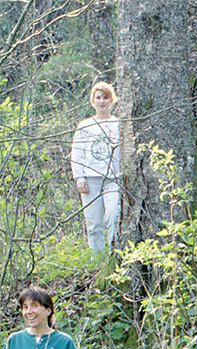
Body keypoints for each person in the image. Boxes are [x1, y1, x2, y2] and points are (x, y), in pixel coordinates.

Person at [70, 81, 122, 253]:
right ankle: (97, 260)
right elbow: (77, 153)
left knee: (113, 216)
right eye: (98, 98)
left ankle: (113, 255)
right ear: (93, 101)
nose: (102, 102)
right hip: (90, 180)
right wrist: (79, 178)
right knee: (94, 223)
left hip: (113, 179)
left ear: (111, 100)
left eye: (105, 98)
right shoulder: (85, 126)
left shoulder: (119, 125)